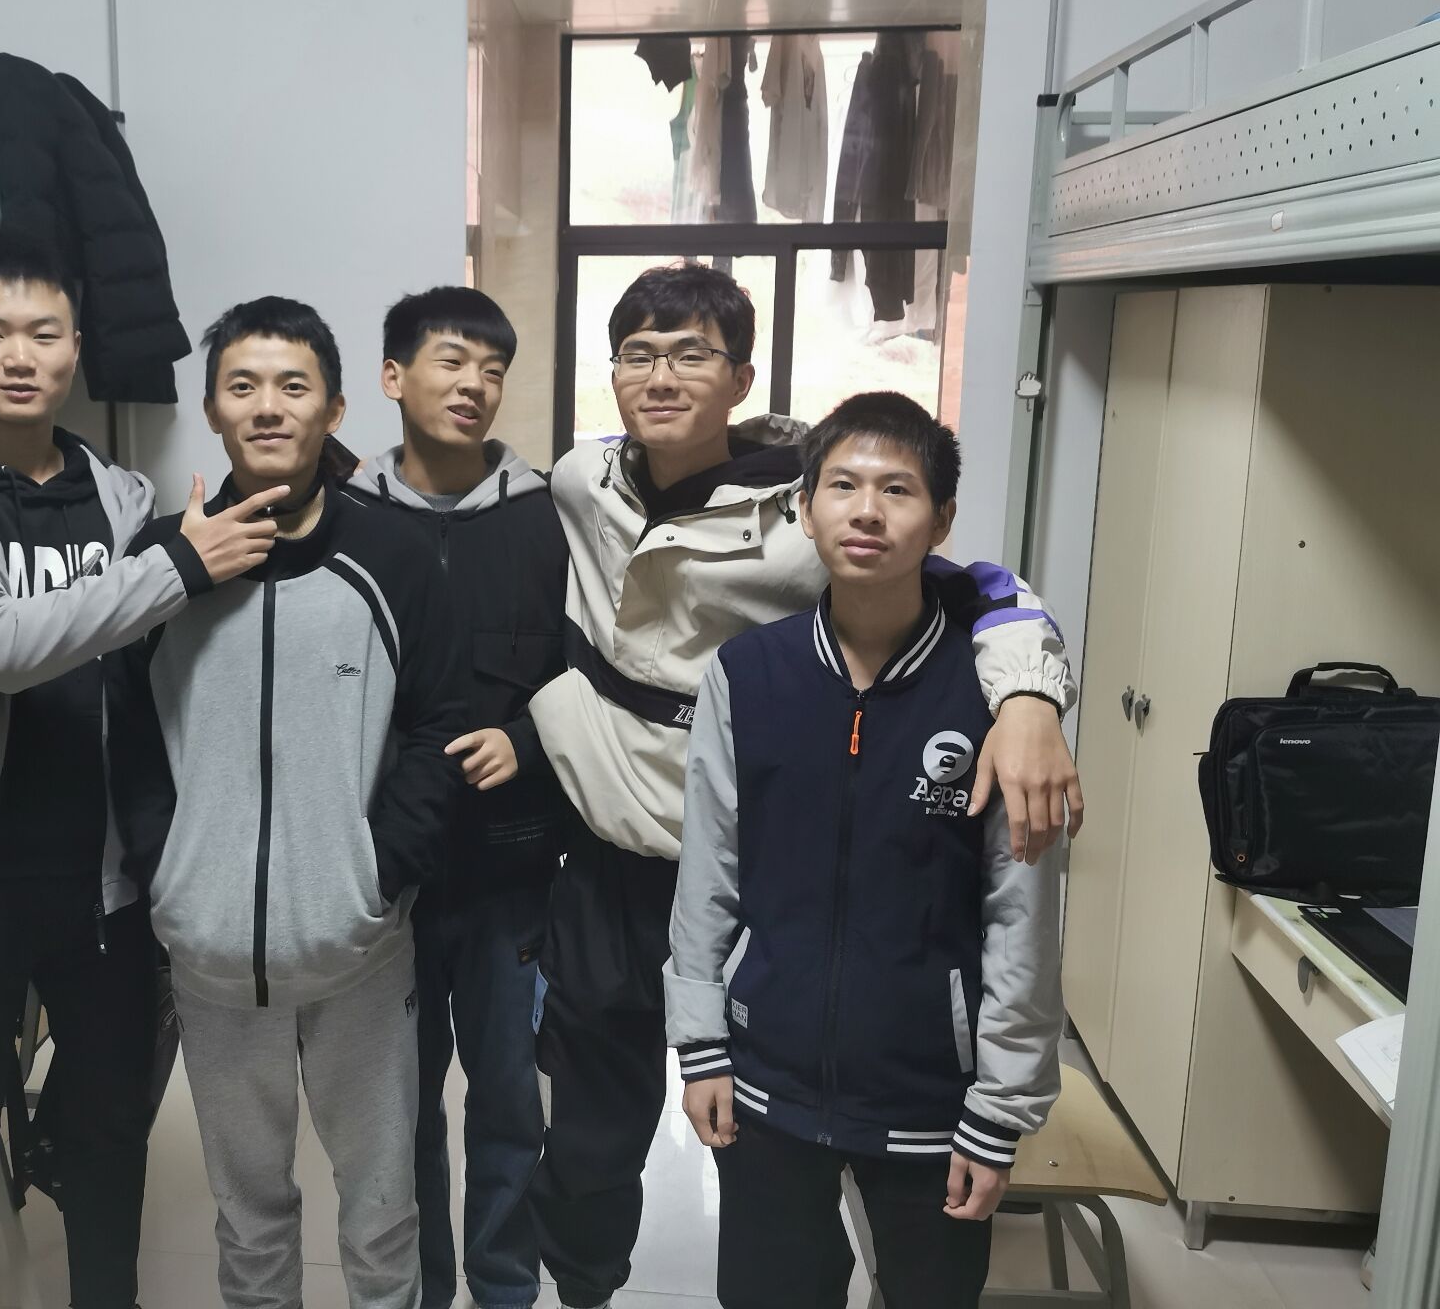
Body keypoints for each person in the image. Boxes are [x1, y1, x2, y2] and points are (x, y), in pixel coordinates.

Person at [525, 262, 1083, 1309]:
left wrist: (1029, 697)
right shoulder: (580, 477)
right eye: (638, 354)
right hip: (607, 857)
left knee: (790, 1149)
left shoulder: (808, 513)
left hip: (754, 869)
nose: (661, 376)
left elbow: (983, 589)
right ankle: (584, 1289)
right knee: (590, 1138)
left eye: (691, 354)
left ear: (740, 376)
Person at [0, 225, 285, 1309]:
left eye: (44, 333)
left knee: (108, 1137)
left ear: (76, 348)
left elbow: (152, 656)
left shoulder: (121, 495)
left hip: (107, 883)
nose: (19, 355)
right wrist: (180, 564)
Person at [667, 392, 1066, 1309]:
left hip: (931, 1100)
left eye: (898, 489)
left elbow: (1022, 917)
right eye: (842, 485)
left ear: (942, 520)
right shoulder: (749, 673)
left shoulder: (996, 697)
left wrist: (999, 1109)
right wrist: (701, 1044)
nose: (867, 511)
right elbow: (708, 873)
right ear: (805, 509)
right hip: (765, 1080)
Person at [110, 296, 466, 1309]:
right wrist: (171, 876)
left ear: (335, 409)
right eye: (243, 386)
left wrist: (377, 875)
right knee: (248, 1208)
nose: (268, 407)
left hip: (361, 952)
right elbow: (127, 739)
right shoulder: (161, 563)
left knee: (382, 1205)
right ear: (213, 410)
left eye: (293, 386)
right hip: (212, 959)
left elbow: (439, 729)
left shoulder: (396, 557)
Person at [343, 287, 575, 1309]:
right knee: (399, 1114)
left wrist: (525, 739)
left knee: (510, 1105)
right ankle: (422, 1290)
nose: (474, 385)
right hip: (385, 876)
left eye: (492, 369)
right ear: (393, 377)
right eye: (451, 362)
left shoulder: (547, 520)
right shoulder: (346, 519)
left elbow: (587, 674)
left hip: (507, 873)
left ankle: (503, 1287)